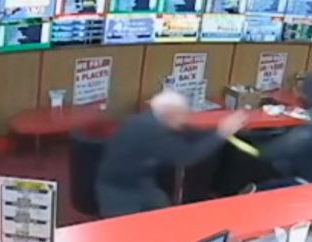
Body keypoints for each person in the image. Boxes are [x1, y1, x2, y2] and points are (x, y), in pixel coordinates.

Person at [96, 90, 246, 217]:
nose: (184, 119)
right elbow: (187, 156)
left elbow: (189, 133)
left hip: (141, 183)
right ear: (169, 113)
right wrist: (221, 133)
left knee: (165, 213)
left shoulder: (152, 118)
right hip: (119, 192)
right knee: (127, 237)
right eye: (181, 115)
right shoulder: (150, 130)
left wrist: (216, 132)